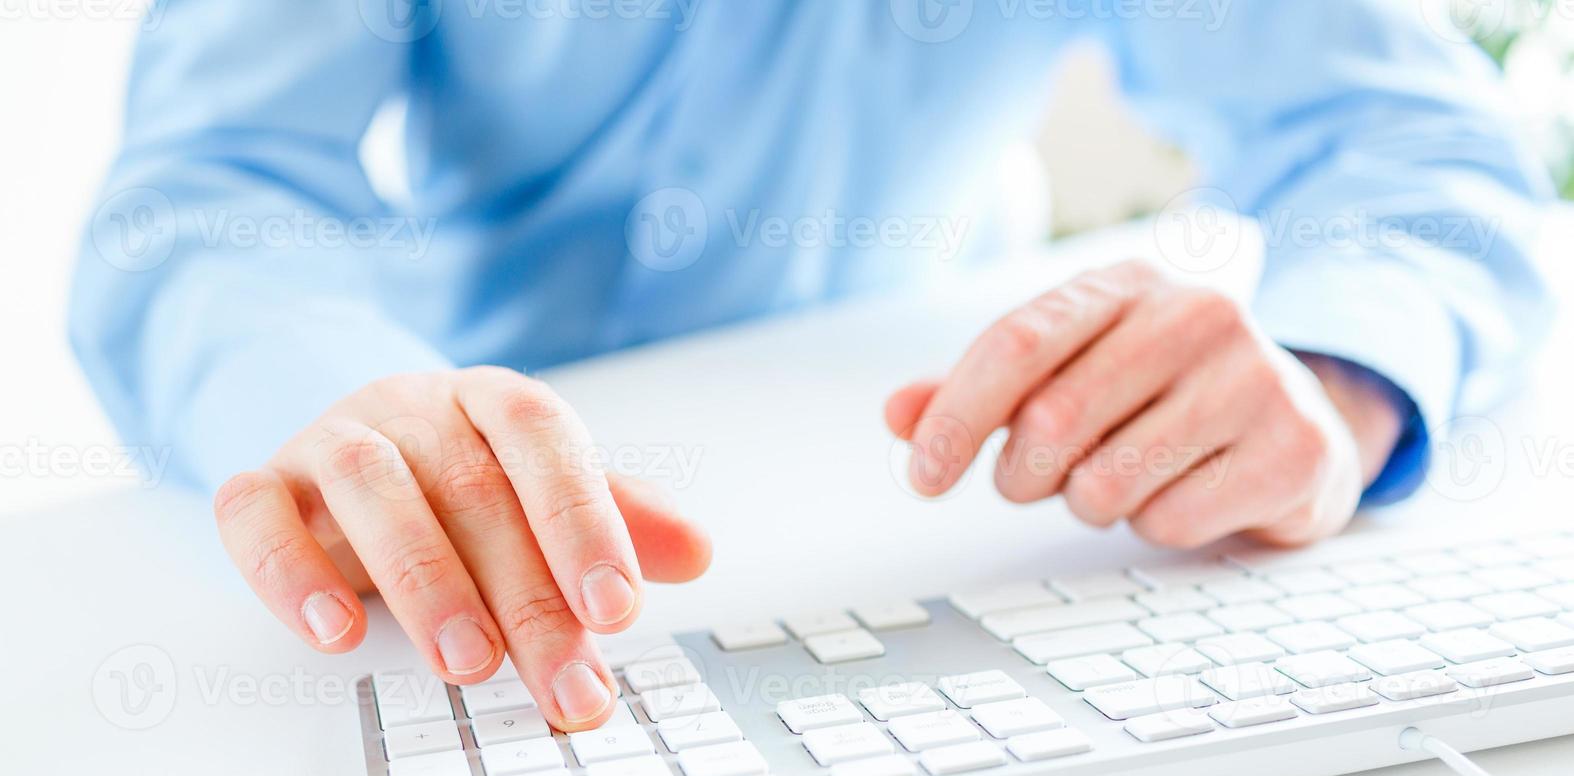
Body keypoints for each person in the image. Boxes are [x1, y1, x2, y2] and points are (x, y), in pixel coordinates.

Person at [70, 2, 1552, 731]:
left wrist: (1336, 387)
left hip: (933, 494)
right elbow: (206, 189)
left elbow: (1415, 150)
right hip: (457, 491)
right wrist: (332, 400)